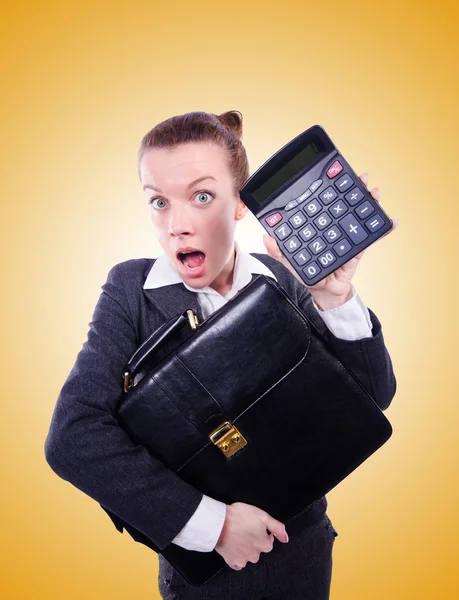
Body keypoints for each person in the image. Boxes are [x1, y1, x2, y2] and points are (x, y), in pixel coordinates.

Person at [44, 110, 399, 600]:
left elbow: (370, 398)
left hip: (305, 560)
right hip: (205, 580)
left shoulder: (286, 278)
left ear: (239, 203)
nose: (178, 225)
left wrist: (335, 297)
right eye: (159, 202)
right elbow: (73, 437)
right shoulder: (130, 289)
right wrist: (212, 526)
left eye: (202, 196)